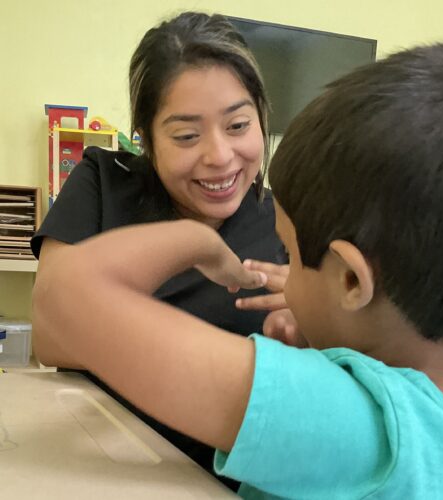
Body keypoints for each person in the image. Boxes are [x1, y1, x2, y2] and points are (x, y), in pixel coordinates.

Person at [33, 42, 443, 498]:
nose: (219, 156)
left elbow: (67, 292)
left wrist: (197, 241)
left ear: (352, 281)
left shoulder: (348, 420)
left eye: (292, 258)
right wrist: (329, 340)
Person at [31, 11, 286, 480]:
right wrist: (193, 243)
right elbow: (53, 334)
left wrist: (308, 327)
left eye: (238, 126)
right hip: (96, 466)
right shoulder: (104, 181)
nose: (219, 156)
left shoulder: (287, 219)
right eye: (187, 135)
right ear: (146, 139)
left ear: (262, 119)